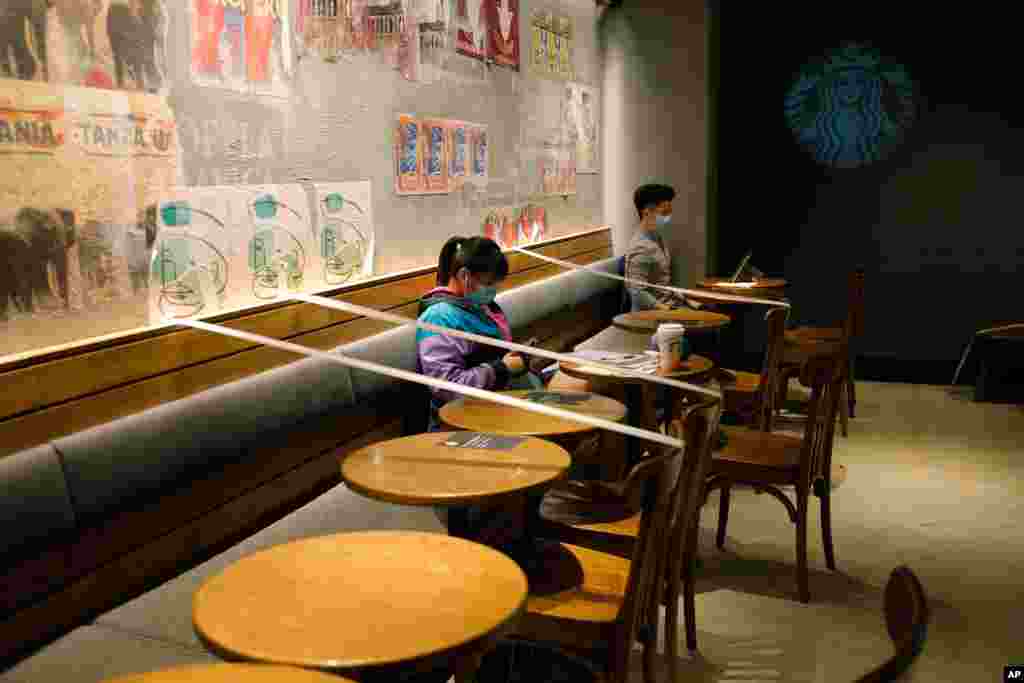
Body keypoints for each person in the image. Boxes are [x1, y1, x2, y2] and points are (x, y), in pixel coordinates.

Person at [417, 235, 543, 433]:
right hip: (463, 423)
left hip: (497, 408)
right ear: (465, 276)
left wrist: (518, 358)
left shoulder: (481, 307)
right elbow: (447, 388)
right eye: (489, 283)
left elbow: (490, 353)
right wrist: (502, 369)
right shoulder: (438, 318)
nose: (493, 291)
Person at [623, 183, 702, 312]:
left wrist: (687, 301)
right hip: (650, 316)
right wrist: (667, 310)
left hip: (667, 307)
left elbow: (662, 285)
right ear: (647, 211)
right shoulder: (640, 248)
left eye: (669, 213)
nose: (668, 218)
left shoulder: (657, 239)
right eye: (664, 213)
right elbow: (637, 293)